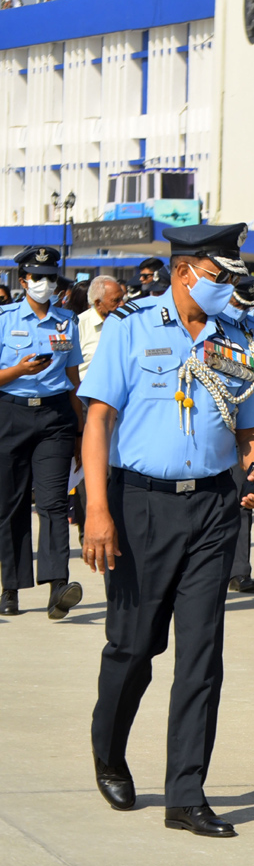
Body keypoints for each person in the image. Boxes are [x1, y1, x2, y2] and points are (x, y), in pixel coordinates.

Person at [80, 223, 254, 837]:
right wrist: (96, 510)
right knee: (135, 646)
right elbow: (98, 419)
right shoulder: (129, 325)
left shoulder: (238, 335)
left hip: (216, 508)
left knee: (201, 655)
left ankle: (185, 795)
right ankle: (108, 749)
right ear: (186, 271)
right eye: (220, 276)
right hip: (141, 505)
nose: (228, 287)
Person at [0, 246, 86, 619]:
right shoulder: (4, 318)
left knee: (53, 503)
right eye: (38, 277)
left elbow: (73, 379)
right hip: (10, 413)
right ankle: (10, 588)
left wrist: (83, 432)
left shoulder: (68, 321)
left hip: (55, 417)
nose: (45, 284)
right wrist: (18, 371)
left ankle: (57, 587)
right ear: (24, 281)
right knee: (11, 504)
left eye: (51, 277)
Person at [223, 275, 254, 595]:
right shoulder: (217, 328)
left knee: (244, 499)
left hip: (251, 423)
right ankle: (226, 568)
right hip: (219, 423)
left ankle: (240, 570)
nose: (241, 309)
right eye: (237, 303)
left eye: (246, 304)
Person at [78, 276, 125, 381]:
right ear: (98, 303)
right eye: (116, 300)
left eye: (122, 299)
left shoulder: (127, 323)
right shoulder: (79, 326)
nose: (122, 304)